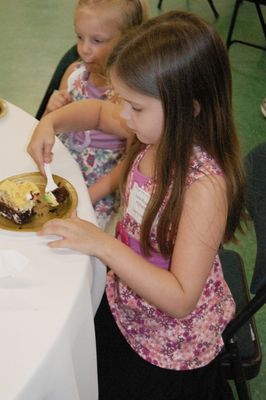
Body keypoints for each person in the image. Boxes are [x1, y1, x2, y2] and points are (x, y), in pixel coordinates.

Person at [28, 10, 247, 399]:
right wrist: (51, 124)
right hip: (125, 301)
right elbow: (96, 112)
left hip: (166, 346)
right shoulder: (152, 128)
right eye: (122, 102)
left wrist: (101, 244)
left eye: (135, 107)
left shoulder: (205, 187)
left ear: (189, 108)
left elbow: (180, 299)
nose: (124, 117)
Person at [44, 0, 149, 229]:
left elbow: (130, 162)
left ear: (128, 41)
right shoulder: (74, 74)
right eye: (79, 37)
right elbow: (49, 129)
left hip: (98, 190)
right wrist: (51, 111)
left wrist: (85, 197)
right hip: (60, 170)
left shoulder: (130, 98)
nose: (84, 49)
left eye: (97, 40)